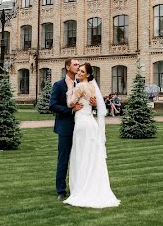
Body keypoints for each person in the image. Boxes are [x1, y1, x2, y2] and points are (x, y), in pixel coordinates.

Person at [63, 63, 120, 209]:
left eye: (82, 71)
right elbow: (93, 103)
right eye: (79, 70)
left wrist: (70, 88)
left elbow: (70, 103)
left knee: (81, 155)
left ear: (87, 74)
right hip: (91, 123)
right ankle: (95, 186)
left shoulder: (80, 86)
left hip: (82, 123)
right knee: (92, 156)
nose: (79, 72)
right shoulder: (93, 87)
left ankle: (81, 187)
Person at [50, 58, 82, 201]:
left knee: (79, 159)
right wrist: (70, 110)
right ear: (68, 67)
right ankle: (61, 190)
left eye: (78, 65)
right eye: (75, 65)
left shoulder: (80, 84)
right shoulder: (58, 85)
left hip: (80, 127)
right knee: (63, 159)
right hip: (65, 127)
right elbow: (53, 105)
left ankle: (78, 187)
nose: (78, 67)